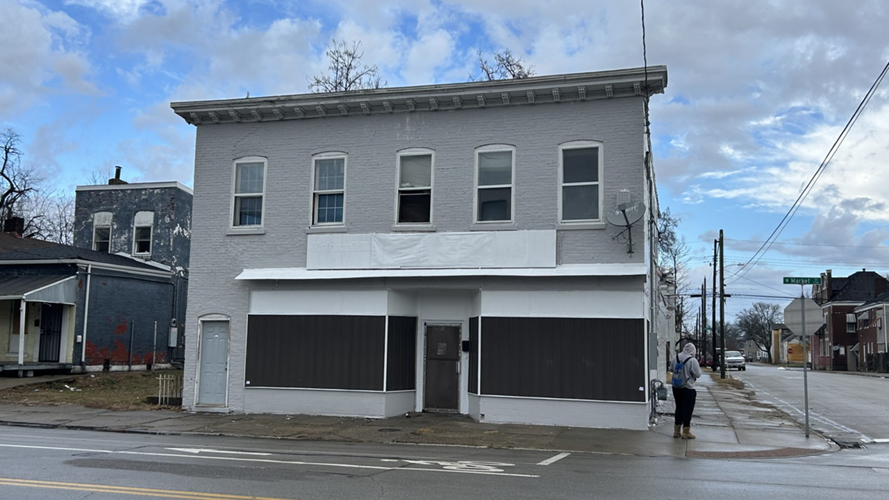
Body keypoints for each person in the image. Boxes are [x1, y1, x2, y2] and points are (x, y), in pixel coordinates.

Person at [671, 342, 703, 439]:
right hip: (688, 387)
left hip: (676, 387)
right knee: (687, 409)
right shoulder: (692, 360)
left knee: (679, 407)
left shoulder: (675, 357)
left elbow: (671, 369)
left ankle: (676, 431)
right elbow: (697, 374)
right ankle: (686, 431)